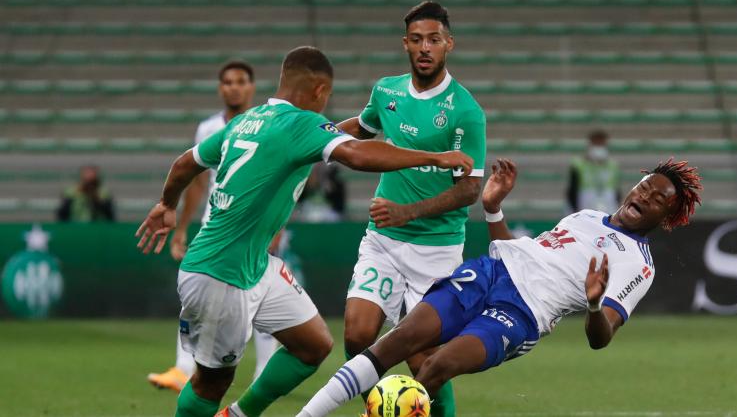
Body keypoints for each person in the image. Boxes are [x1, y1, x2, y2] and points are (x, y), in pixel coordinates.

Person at [135, 46, 474, 417]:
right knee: (210, 382)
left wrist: (167, 204)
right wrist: (436, 157)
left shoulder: (248, 120)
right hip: (220, 273)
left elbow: (186, 162)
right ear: (318, 91)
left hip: (254, 264)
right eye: (326, 97)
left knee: (312, 344)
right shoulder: (300, 124)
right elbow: (358, 155)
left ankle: (238, 414)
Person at [298, 157, 703, 417]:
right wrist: (493, 207)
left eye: (658, 199)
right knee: (399, 340)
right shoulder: (587, 216)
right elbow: (517, 251)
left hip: (521, 315)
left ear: (666, 216)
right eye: (645, 186)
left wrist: (595, 305)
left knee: (435, 368)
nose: (645, 196)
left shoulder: (637, 264)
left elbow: (602, 337)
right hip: (491, 272)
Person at [335, 1, 486, 416]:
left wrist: (408, 212)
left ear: (448, 44)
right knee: (357, 335)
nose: (425, 48)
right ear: (405, 44)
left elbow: (470, 190)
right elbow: (360, 130)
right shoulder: (386, 90)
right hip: (383, 240)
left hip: (436, 249)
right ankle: (385, 409)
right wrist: (314, 135)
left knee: (427, 365)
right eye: (417, 40)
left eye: (433, 40)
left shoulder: (465, 110)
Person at [147, 60, 281, 392]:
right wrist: (182, 227)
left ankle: (263, 372)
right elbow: (197, 182)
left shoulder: (268, 125)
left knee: (263, 300)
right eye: (227, 82)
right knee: (196, 295)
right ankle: (183, 369)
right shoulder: (208, 129)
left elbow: (280, 181)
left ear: (251, 87)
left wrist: (277, 229)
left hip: (255, 228)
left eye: (240, 81)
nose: (233, 87)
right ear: (220, 88)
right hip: (216, 227)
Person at [566, 129, 621, 214]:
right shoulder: (578, 164)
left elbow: (616, 188)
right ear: (590, 145)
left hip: (608, 202)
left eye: (601, 144)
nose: (599, 147)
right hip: (585, 202)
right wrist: (575, 209)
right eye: (596, 144)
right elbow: (572, 189)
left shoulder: (612, 165)